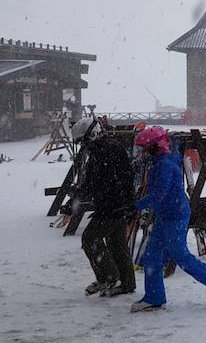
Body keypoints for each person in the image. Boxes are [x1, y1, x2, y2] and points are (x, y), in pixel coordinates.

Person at [129, 126, 206, 312]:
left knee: (180, 256)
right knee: (152, 256)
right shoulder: (159, 162)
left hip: (175, 215)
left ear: (155, 147)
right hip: (164, 214)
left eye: (144, 148)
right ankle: (154, 297)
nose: (142, 153)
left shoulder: (165, 166)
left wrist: (135, 206)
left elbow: (159, 194)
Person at [72, 117, 136, 297]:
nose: (83, 146)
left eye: (84, 141)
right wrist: (82, 192)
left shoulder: (108, 151)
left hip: (113, 207)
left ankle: (108, 277)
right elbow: (95, 180)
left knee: (90, 238)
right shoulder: (103, 149)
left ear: (92, 135)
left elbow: (114, 180)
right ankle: (127, 283)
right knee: (117, 244)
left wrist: (120, 203)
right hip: (115, 205)